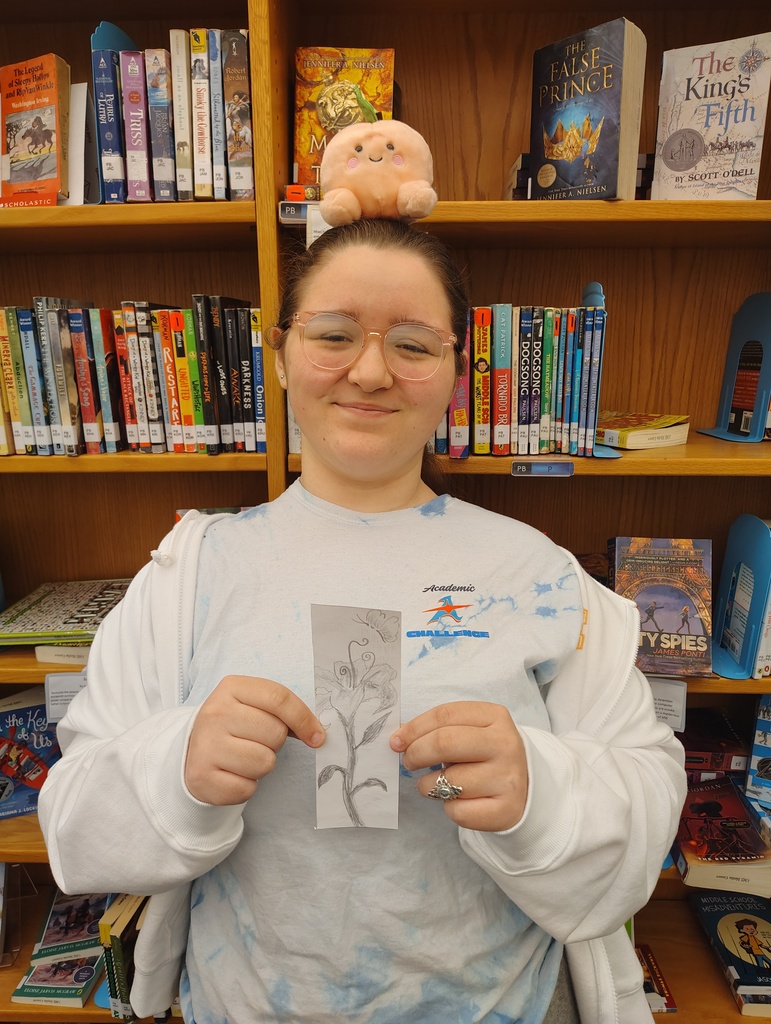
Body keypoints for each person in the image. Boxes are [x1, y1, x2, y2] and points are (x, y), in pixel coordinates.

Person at [39, 218, 686, 1024]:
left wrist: (542, 790)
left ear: (455, 370)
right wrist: (177, 769)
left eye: (412, 345)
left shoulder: (538, 575)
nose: (371, 371)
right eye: (334, 335)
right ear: (280, 355)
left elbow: (649, 801)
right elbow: (73, 833)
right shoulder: (191, 573)